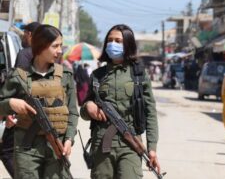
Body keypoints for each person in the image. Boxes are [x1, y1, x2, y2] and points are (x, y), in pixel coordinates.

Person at [80, 24, 161, 179]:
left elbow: (150, 113)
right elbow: (84, 111)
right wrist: (88, 107)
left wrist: (152, 148)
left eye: (118, 41)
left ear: (128, 45)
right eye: (110, 40)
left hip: (130, 143)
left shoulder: (139, 75)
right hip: (102, 144)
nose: (112, 44)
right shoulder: (97, 75)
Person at [0, 24, 79, 178]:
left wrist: (69, 139)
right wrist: (10, 104)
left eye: (61, 45)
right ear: (41, 45)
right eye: (55, 46)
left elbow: (73, 112)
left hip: (56, 146)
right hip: (26, 149)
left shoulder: (65, 75)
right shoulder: (18, 76)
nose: (60, 51)